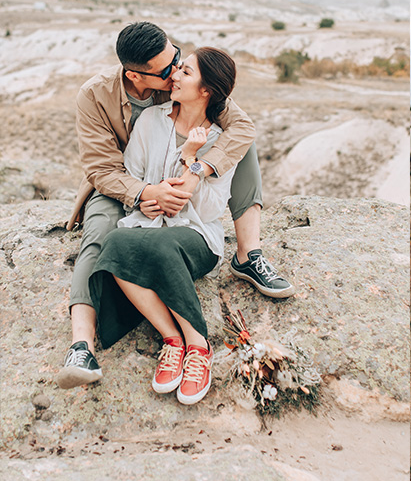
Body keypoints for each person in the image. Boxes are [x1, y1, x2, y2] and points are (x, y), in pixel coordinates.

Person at [57, 22, 292, 390]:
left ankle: (249, 255)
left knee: (241, 149)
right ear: (135, 74)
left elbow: (241, 128)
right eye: (168, 70)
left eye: (179, 60)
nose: (174, 73)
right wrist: (147, 195)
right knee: (102, 235)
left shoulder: (190, 87)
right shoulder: (96, 96)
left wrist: (196, 168)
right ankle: (81, 345)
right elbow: (103, 169)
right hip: (121, 184)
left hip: (191, 195)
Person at [88, 47, 238, 405]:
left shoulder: (220, 139)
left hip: (197, 235)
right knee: (114, 245)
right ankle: (172, 339)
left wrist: (190, 160)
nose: (175, 76)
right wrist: (152, 196)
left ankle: (199, 347)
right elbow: (132, 175)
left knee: (162, 245)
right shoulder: (152, 120)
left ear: (206, 91)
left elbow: (215, 207)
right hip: (148, 223)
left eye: (185, 73)